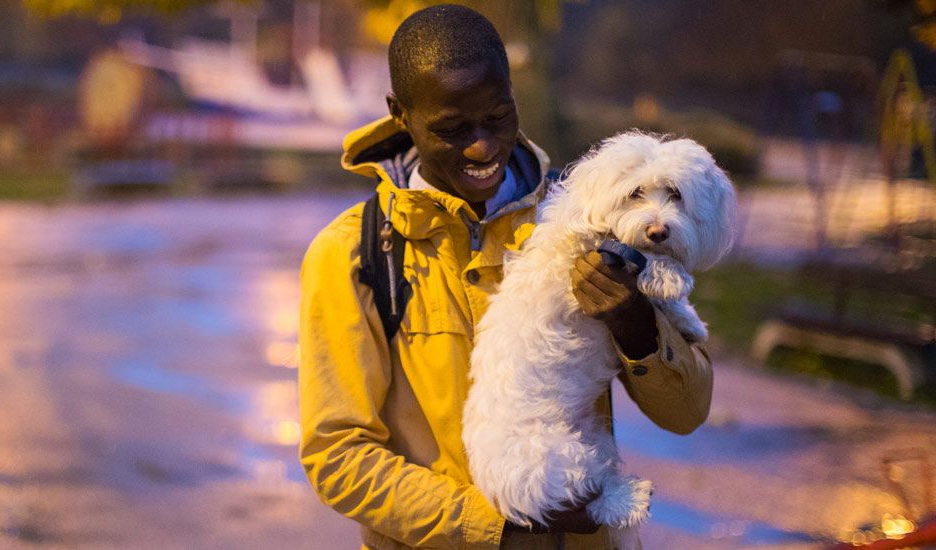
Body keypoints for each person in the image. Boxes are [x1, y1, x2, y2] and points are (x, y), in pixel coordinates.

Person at [297, 5, 713, 549]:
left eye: (497, 116)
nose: (482, 147)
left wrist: (634, 322)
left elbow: (688, 412)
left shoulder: (587, 214)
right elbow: (338, 455)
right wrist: (499, 528)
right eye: (452, 128)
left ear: (512, 93)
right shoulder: (353, 252)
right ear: (400, 114)